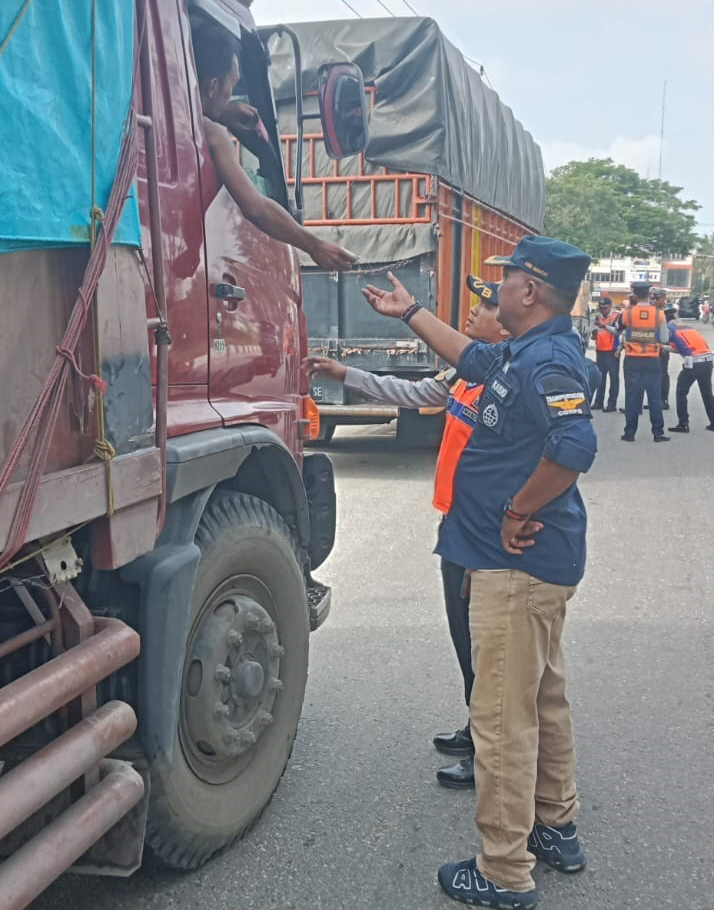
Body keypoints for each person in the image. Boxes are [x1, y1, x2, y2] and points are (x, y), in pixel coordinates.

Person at [362, 236, 597, 910]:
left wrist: (516, 510)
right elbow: (468, 356)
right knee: (544, 699)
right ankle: (556, 825)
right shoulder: (519, 353)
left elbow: (575, 446)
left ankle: (503, 871)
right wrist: (410, 312)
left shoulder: (549, 359)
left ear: (531, 290)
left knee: (500, 721)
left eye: (507, 279)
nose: (496, 289)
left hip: (517, 565)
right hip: (525, 564)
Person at [305, 280, 508, 790]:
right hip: (458, 523)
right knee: (466, 639)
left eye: (482, 309)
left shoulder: (510, 380)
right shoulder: (466, 373)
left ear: (504, 324)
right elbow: (414, 394)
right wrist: (345, 374)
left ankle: (494, 753)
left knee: (489, 646)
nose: (471, 316)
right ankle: (477, 726)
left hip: (487, 534)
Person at [192, 24, 354, 271]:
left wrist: (222, 113)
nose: (231, 94)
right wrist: (314, 245)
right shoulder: (213, 134)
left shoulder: (168, 120)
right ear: (213, 86)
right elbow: (256, 208)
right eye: (231, 85)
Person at [617, 280, 670, 442]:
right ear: (649, 294)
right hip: (652, 360)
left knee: (632, 396)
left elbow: (620, 331)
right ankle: (658, 433)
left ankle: (630, 433)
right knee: (654, 396)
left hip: (632, 360)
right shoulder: (659, 314)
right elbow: (665, 338)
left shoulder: (626, 314)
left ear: (634, 294)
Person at [664, 305, 714, 432]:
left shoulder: (669, 328)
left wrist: (662, 347)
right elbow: (684, 346)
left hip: (694, 361)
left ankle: (683, 423)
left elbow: (683, 348)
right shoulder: (687, 327)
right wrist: (667, 348)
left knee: (681, 391)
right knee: (707, 393)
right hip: (708, 359)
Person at [590, 296, 619, 411]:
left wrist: (604, 326)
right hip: (600, 350)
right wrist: (594, 334)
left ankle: (612, 404)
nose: (603, 310)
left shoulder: (616, 316)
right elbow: (594, 333)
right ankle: (598, 402)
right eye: (601, 308)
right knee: (600, 379)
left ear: (610, 307)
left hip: (612, 351)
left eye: (605, 308)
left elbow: (618, 331)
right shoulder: (597, 316)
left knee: (613, 379)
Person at [650, 288, 671, 409]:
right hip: (654, 347)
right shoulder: (654, 312)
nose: (664, 301)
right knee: (654, 375)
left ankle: (663, 400)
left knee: (662, 374)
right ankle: (656, 400)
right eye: (663, 299)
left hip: (662, 347)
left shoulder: (667, 312)